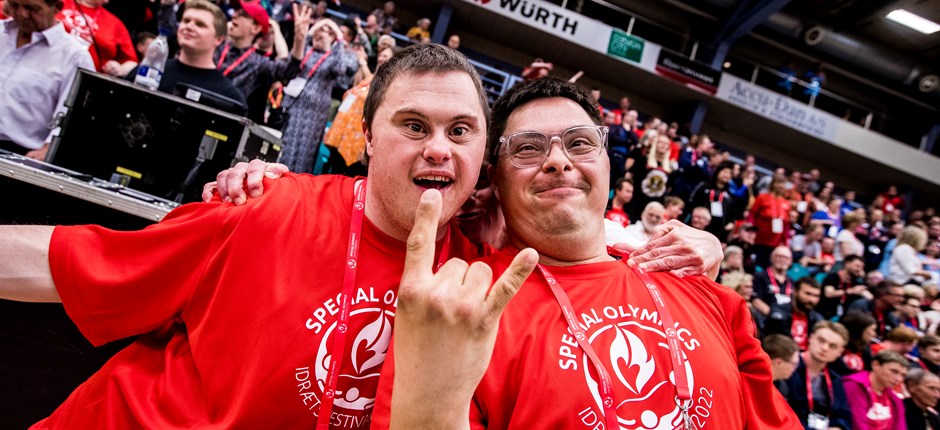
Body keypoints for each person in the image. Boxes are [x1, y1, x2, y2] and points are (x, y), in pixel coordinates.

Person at [3, 44, 722, 428]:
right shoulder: (264, 208)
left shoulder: (488, 268)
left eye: (460, 132)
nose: (438, 149)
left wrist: (698, 251)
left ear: (486, 168)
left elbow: (595, 250)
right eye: (414, 127)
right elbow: (66, 264)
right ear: (367, 140)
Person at [374, 77, 798, 429]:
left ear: (607, 164)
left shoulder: (710, 295)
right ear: (495, 181)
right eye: (528, 148)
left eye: (579, 144)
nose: (558, 161)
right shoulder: (461, 306)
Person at [0, 0, 94, 159]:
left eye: (31, 8)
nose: (22, 14)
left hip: (19, 153)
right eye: (15, 5)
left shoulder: (74, 56)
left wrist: (48, 150)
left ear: (57, 7)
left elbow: (73, 119)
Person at [126, 0, 246, 111]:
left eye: (200, 24)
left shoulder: (229, 97)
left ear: (219, 39)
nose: (188, 27)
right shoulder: (148, 72)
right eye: (186, 21)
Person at [278, 16, 349, 174]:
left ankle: (294, 180)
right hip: (292, 103)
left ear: (332, 38)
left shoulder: (332, 58)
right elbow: (292, 60)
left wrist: (338, 36)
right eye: (317, 31)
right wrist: (312, 30)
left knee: (303, 149)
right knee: (284, 142)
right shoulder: (306, 50)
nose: (319, 34)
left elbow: (340, 69)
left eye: (324, 32)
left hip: (313, 113)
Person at [213, 1, 309, 100]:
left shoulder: (258, 63)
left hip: (225, 112)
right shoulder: (214, 46)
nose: (234, 15)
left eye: (243, 15)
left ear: (255, 28)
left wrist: (299, 39)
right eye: (236, 11)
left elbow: (288, 71)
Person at [785, 320, 853, 430]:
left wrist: (839, 427)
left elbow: (843, 415)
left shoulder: (835, 379)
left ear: (840, 352)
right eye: (821, 340)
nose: (825, 348)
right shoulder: (788, 368)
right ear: (810, 338)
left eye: (833, 346)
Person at [57, 0, 137, 75]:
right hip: (50, 67)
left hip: (85, 79)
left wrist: (120, 69)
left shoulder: (115, 24)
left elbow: (132, 62)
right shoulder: (57, 3)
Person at [842, 350, 908, 429]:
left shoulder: (895, 399)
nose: (898, 379)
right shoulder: (854, 386)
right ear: (875, 365)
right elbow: (857, 425)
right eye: (894, 371)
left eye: (903, 375)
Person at [764, 277, 825, 350]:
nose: (811, 299)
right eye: (808, 294)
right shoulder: (779, 311)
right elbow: (779, 342)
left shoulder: (817, 318)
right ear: (795, 291)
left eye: (816, 296)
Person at [750, 175, 792, 269]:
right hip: (759, 239)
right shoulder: (762, 197)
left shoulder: (786, 203)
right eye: (779, 183)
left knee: (769, 267)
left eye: (783, 184)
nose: (781, 186)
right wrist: (750, 233)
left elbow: (786, 225)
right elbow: (752, 215)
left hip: (776, 242)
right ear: (773, 184)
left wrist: (785, 243)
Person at [752, 246, 795, 316]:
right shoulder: (760, 276)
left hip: (786, 319)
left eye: (786, 258)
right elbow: (755, 300)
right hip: (766, 318)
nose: (782, 260)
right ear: (771, 258)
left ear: (790, 262)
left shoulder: (791, 281)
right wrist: (774, 315)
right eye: (779, 256)